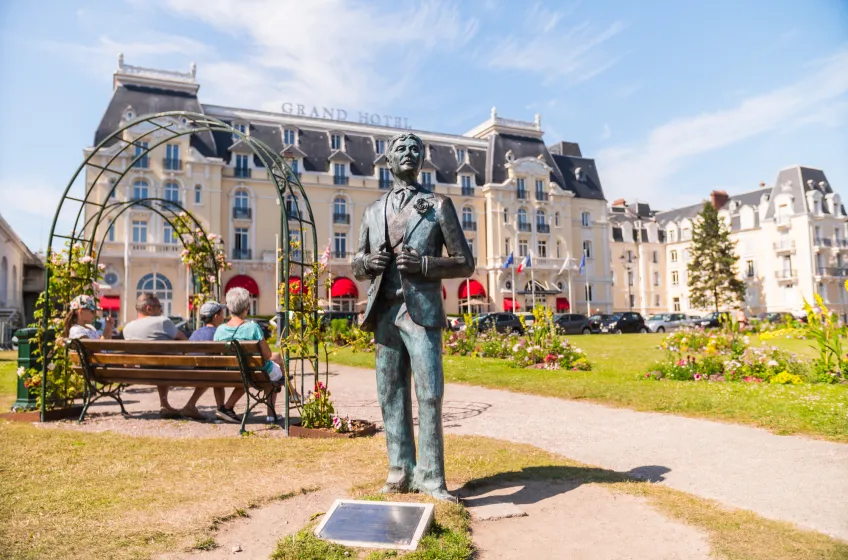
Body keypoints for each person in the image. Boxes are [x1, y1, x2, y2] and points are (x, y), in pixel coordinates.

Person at [352, 132, 474, 503]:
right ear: (387, 161)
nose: (409, 153)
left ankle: (432, 477)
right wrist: (368, 263)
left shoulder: (438, 205)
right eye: (401, 149)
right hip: (384, 311)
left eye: (415, 149)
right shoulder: (373, 211)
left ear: (421, 161)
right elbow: (356, 264)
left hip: (420, 312)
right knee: (390, 393)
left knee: (430, 393)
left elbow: (464, 263)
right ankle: (400, 470)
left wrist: (424, 264)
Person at [214, 287, 286, 424]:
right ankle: (271, 415)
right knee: (271, 372)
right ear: (247, 308)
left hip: (230, 373)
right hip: (254, 374)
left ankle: (227, 407)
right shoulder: (253, 328)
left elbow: (218, 355)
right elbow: (267, 355)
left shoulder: (220, 330)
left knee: (261, 372)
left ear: (228, 307)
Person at [122, 292, 186, 418]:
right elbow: (184, 340)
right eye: (159, 306)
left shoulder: (127, 328)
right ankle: (191, 405)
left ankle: (164, 404)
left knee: (160, 361)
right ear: (149, 309)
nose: (161, 310)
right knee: (165, 362)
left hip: (141, 371)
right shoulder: (163, 322)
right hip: (169, 369)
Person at [180, 301, 230, 421]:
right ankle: (221, 408)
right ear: (216, 316)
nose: (224, 316)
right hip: (212, 374)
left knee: (210, 371)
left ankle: (191, 405)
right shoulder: (219, 333)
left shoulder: (195, 333)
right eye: (222, 313)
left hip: (193, 373)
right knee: (217, 372)